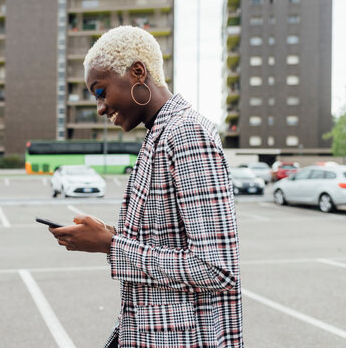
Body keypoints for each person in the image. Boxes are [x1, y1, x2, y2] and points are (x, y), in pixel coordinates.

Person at [49, 26, 243, 348]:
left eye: (100, 92)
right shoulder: (159, 135)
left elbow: (216, 268)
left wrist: (112, 245)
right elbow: (170, 239)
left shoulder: (186, 134)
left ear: (138, 72)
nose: (100, 108)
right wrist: (110, 233)